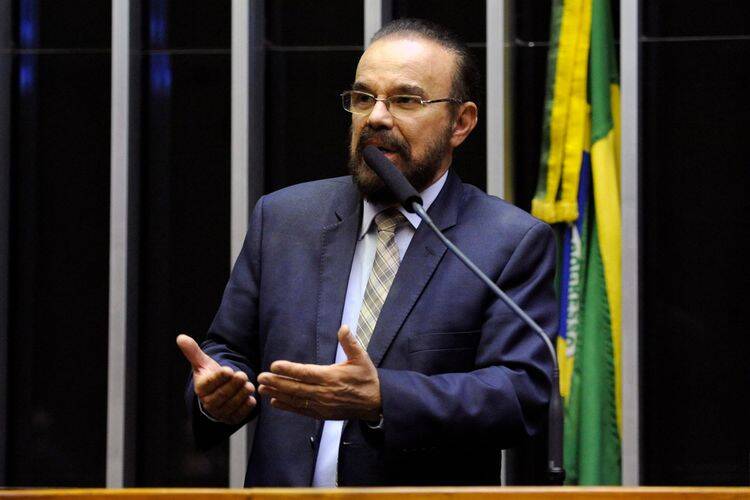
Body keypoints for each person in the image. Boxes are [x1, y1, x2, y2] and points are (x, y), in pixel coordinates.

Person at [177, 18, 557, 487]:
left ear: (461, 123)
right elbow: (228, 349)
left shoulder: (507, 241)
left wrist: (384, 397)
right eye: (363, 98)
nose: (376, 117)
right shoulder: (284, 218)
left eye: (405, 100)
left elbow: (519, 393)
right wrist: (217, 393)